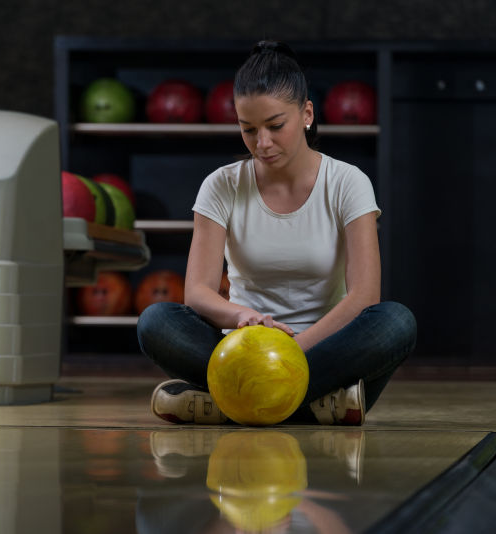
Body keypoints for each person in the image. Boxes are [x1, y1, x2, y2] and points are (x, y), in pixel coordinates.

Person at [136, 40, 417, 426]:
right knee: (155, 322)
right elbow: (197, 292)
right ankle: (314, 406)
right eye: (248, 129)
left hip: (323, 347)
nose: (261, 143)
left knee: (396, 323)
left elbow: (364, 296)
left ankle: (229, 404)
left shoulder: (348, 182)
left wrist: (287, 355)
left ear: (306, 114)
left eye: (275, 126)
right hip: (242, 347)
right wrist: (241, 316)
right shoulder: (221, 185)